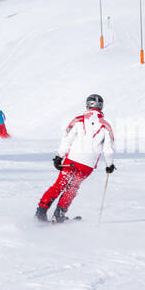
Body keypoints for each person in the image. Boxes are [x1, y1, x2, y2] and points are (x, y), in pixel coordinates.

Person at [36, 94, 115, 223]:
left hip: (71, 161)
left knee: (59, 185)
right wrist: (109, 164)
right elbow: (108, 148)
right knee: (73, 187)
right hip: (87, 165)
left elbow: (67, 139)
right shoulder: (106, 126)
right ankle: (59, 214)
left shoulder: (79, 120)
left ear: (87, 105)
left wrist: (59, 156)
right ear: (101, 107)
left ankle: (41, 211)